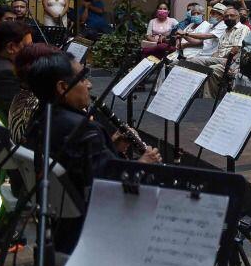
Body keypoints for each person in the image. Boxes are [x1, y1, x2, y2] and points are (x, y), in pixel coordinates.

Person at [25, 52, 161, 252]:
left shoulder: (39, 118)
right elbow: (111, 184)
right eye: (83, 79)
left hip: (59, 220)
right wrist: (144, 161)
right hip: (96, 218)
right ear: (63, 87)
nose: (89, 85)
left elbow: (81, 165)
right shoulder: (84, 129)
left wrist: (112, 148)